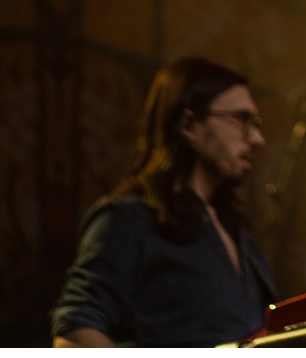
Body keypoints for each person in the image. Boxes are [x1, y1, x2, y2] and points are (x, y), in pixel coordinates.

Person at [50, 57, 275, 347]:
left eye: (255, 123)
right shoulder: (130, 218)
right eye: (242, 120)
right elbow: (75, 335)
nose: (257, 138)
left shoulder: (238, 234)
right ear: (189, 124)